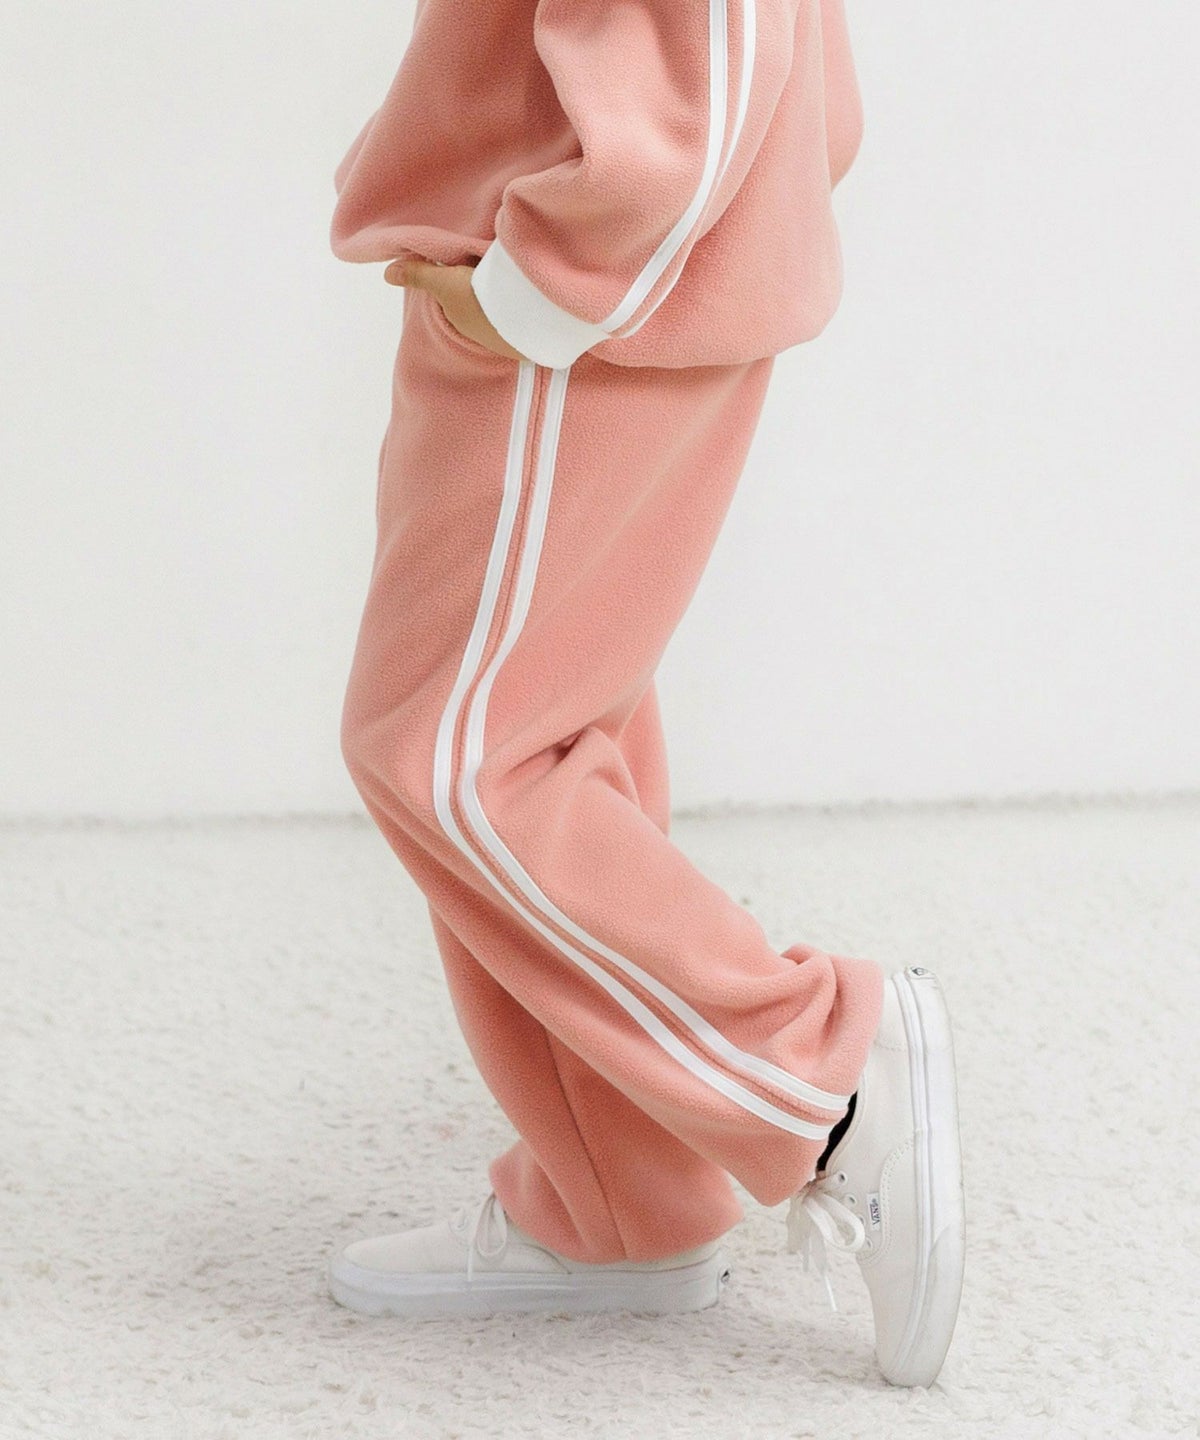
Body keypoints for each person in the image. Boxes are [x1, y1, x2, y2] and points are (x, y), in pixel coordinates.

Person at [325, 0, 966, 1389]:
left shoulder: (567, 287)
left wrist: (552, 280)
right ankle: (619, 1202)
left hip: (576, 312)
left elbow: (710, 44)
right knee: (551, 734)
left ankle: (823, 1069)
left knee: (456, 752)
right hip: (582, 290)